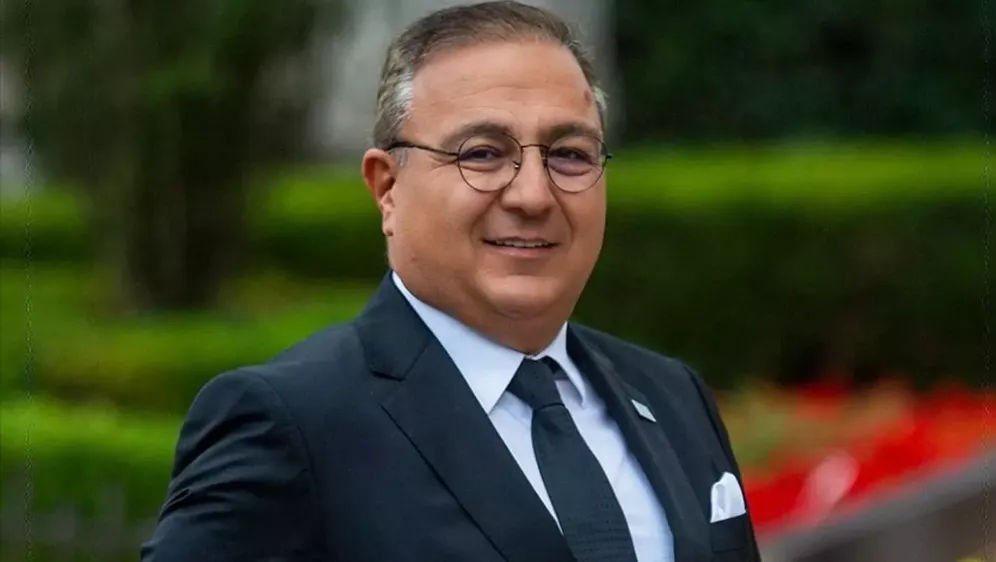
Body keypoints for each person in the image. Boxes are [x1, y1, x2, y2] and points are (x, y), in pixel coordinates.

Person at [141, 2, 761, 561]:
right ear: (388, 188)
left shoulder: (670, 395)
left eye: (569, 154)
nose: (533, 195)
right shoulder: (294, 423)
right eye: (482, 154)